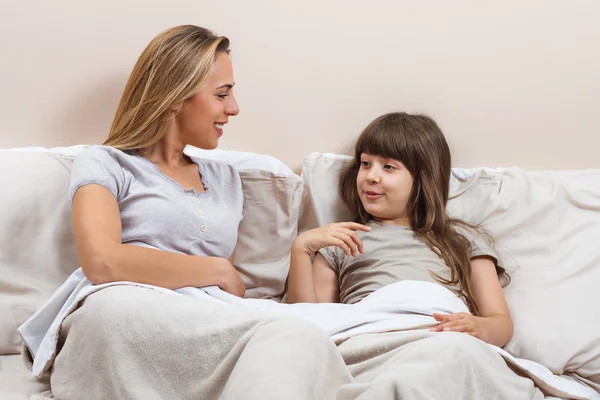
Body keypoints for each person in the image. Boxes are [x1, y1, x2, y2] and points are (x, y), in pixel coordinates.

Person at [18, 25, 352, 400]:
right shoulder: (105, 163)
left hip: (202, 318)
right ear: (176, 97)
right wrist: (216, 269)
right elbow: (103, 262)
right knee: (111, 312)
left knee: (295, 336)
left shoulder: (225, 179)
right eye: (222, 94)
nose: (234, 108)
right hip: (125, 308)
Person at [287, 112, 544, 399]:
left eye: (388, 167)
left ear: (422, 178)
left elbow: (501, 322)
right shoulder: (341, 240)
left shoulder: (460, 241)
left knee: (450, 358)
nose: (371, 176)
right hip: (373, 344)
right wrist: (302, 248)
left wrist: (479, 327)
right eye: (365, 163)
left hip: (437, 339)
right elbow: (312, 324)